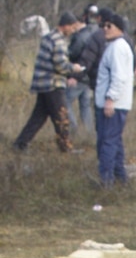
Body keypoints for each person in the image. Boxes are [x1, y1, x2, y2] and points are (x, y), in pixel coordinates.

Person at [13, 12, 83, 153]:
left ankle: (20, 143)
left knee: (38, 117)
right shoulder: (58, 41)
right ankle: (65, 147)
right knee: (61, 116)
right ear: (65, 26)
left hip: (42, 83)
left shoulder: (48, 37)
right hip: (53, 84)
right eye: (72, 27)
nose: (73, 30)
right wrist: (74, 68)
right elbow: (61, 65)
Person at [93, 12, 134, 187]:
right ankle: (120, 179)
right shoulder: (115, 46)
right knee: (114, 142)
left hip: (113, 105)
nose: (105, 29)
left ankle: (106, 181)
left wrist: (110, 99)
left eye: (109, 26)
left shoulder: (118, 48)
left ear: (119, 28)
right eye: (103, 25)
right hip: (114, 103)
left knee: (107, 143)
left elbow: (119, 77)